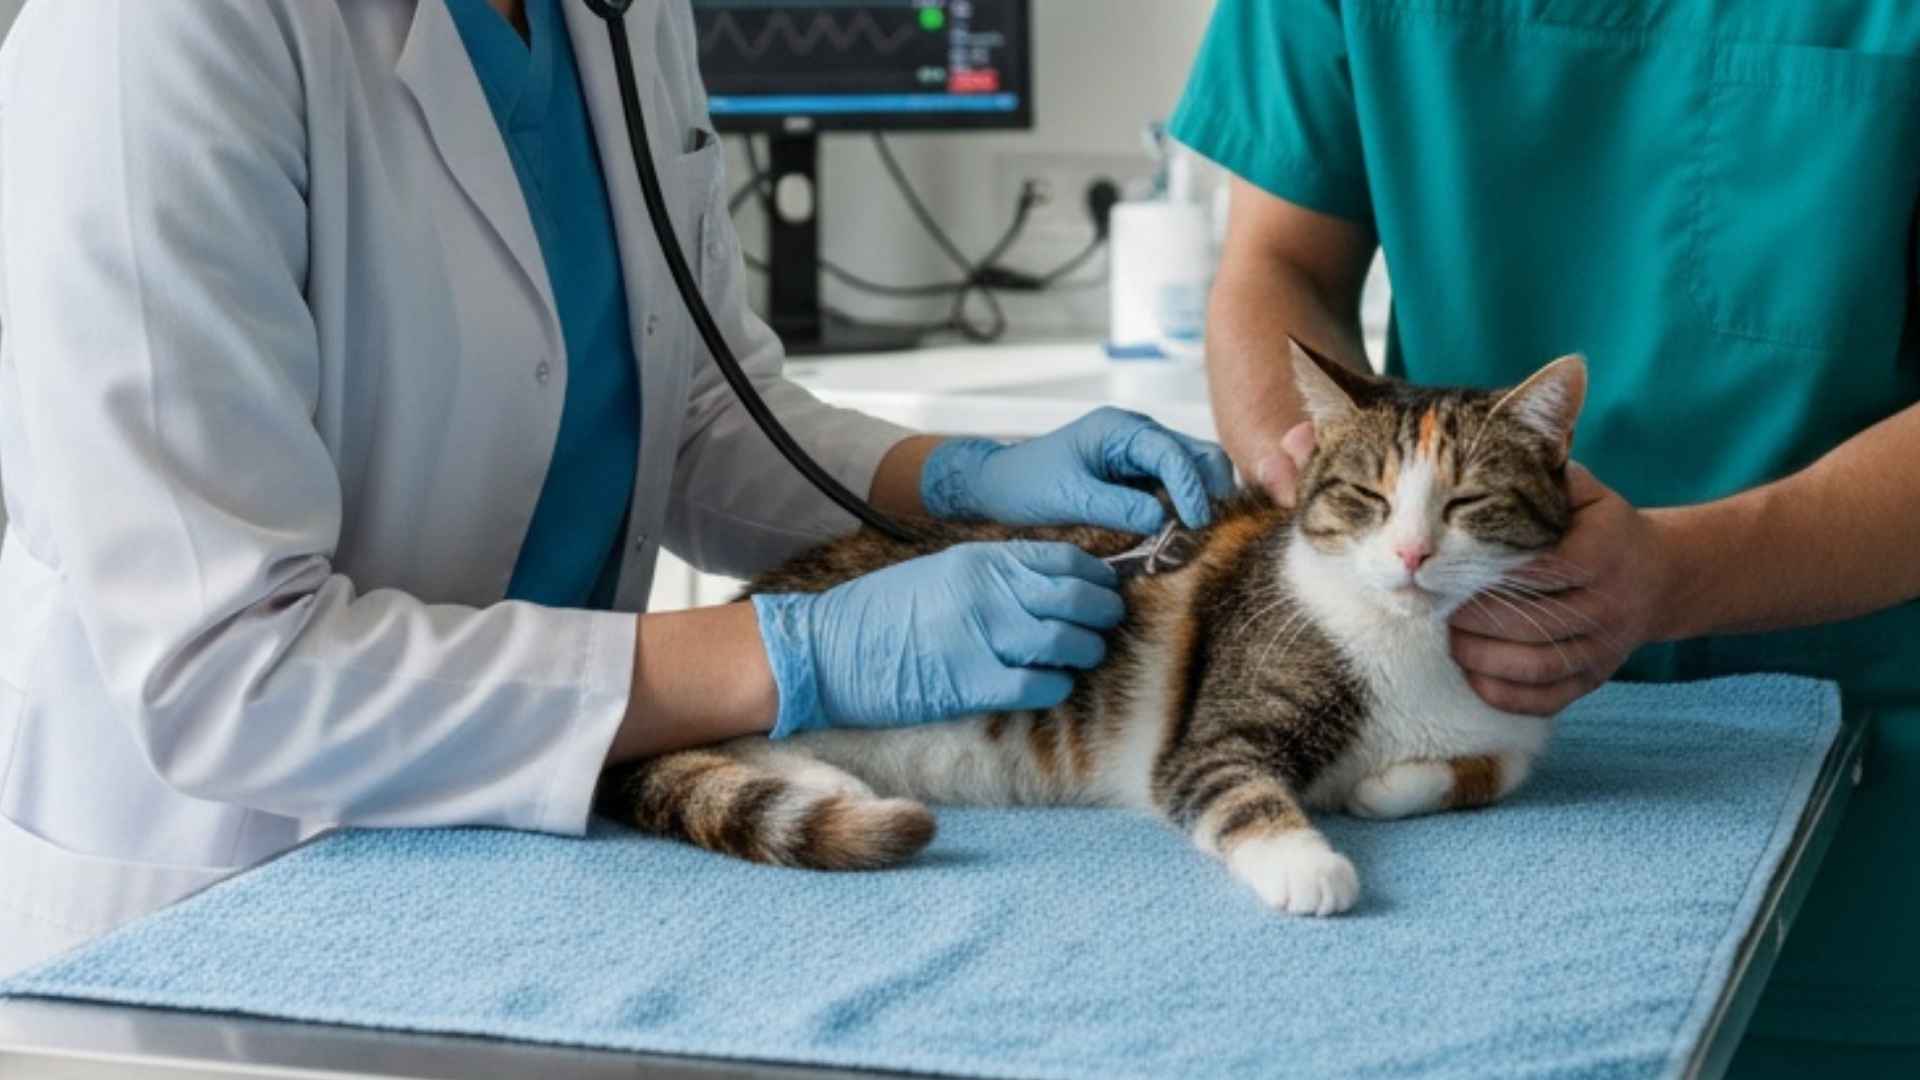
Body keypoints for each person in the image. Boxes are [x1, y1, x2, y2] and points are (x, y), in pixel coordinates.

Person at [0, 0, 1235, 976]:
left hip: (520, 862)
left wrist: (965, 484)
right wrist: (791, 654)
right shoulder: (159, 32)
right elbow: (232, 673)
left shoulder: (613, 13)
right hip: (230, 885)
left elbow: (695, 412)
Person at [1173, 0, 1920, 1073]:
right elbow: (1278, 262)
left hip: (1858, 751)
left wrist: (1677, 577)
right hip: (1425, 725)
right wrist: (1319, 487)